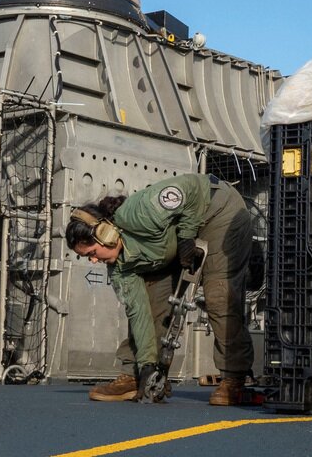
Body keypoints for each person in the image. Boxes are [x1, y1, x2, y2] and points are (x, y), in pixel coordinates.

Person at [68, 172, 255, 406]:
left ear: (105, 234)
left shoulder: (139, 211)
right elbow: (138, 313)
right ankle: (140, 375)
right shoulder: (119, 268)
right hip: (171, 241)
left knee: (218, 295)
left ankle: (235, 378)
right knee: (151, 298)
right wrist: (148, 364)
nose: (94, 261)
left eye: (92, 253)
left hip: (218, 213)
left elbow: (191, 188)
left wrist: (187, 235)